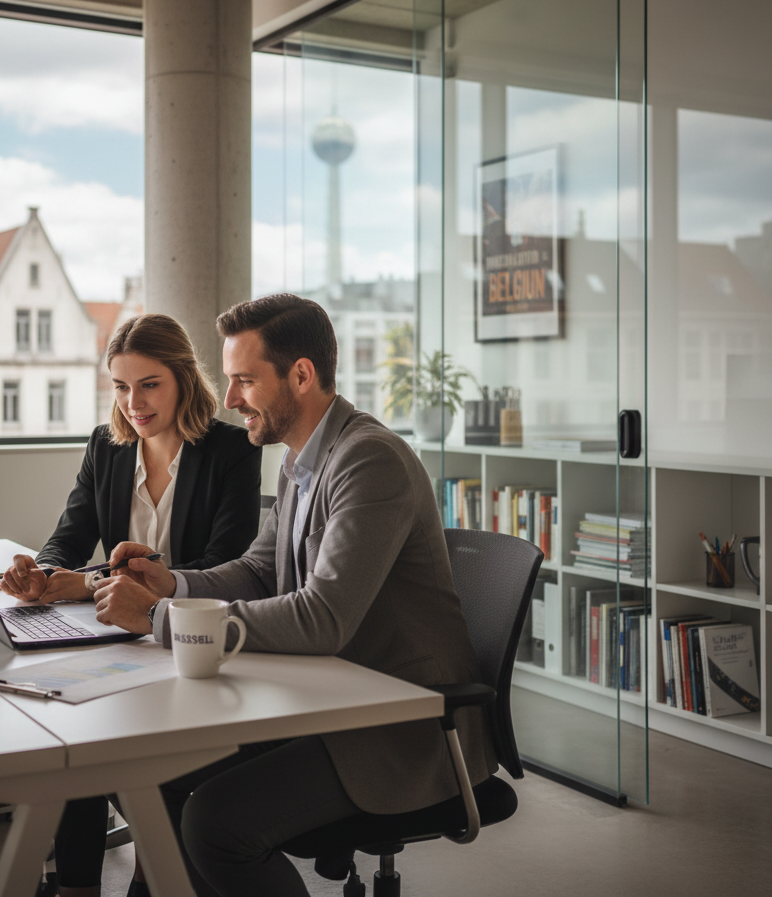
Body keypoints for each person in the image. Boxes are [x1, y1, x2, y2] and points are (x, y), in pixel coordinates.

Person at [93, 293, 497, 897]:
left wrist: (158, 617)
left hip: (399, 729)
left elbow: (322, 618)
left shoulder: (369, 461)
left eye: (244, 381)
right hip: (327, 701)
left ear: (301, 375)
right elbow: (260, 570)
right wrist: (171, 583)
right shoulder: (301, 460)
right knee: (150, 769)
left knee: (215, 824)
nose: (229, 400)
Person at [0, 312, 262, 897]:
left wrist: (90, 583)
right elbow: (69, 537)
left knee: (105, 737)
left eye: (149, 385)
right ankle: (77, 887)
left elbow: (224, 565)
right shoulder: (107, 445)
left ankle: (151, 876)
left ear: (183, 379)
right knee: (74, 732)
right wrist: (42, 573)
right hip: (120, 638)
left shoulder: (232, 450)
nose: (133, 403)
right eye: (120, 386)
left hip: (184, 642)